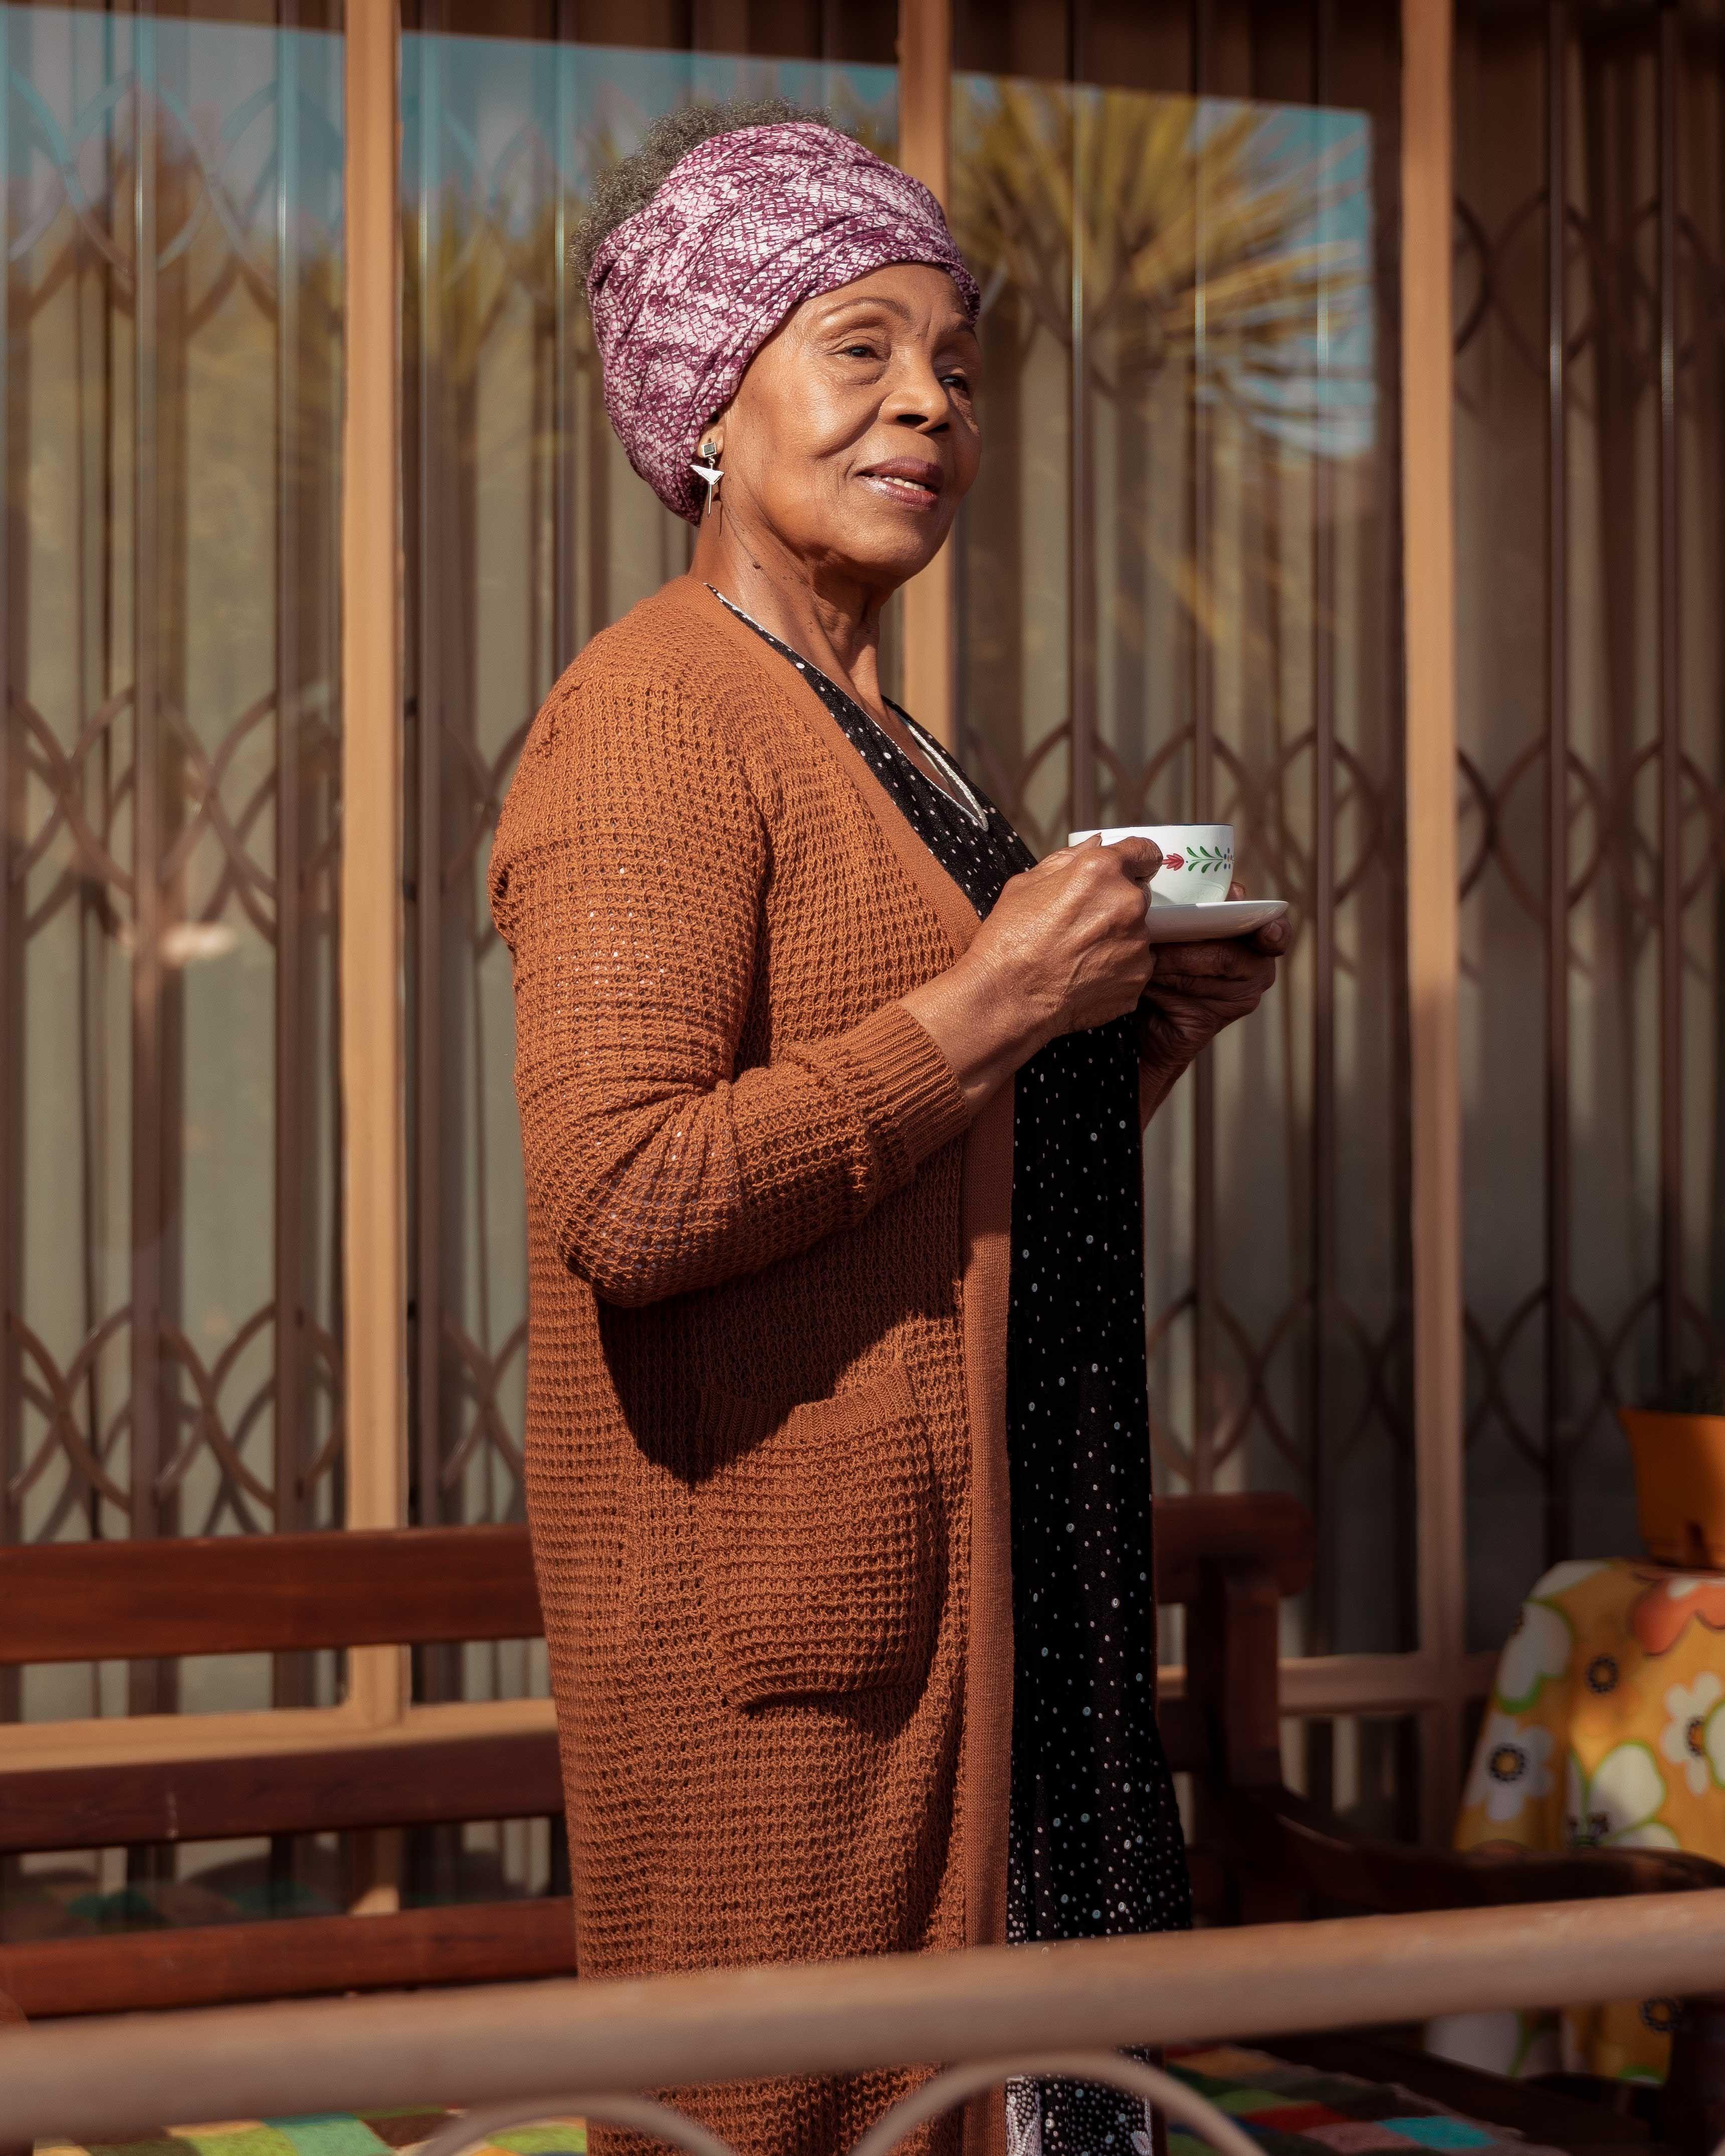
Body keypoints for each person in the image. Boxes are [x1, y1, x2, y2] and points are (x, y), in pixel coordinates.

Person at [488, 104, 1287, 2156]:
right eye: (858, 342)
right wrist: (996, 999)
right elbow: (626, 1189)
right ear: (706, 398)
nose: (926, 397)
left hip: (1010, 1610)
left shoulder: (881, 735)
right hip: (803, 1683)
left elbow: (925, 1150)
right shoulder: (656, 712)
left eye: (947, 357)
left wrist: (1120, 1046)